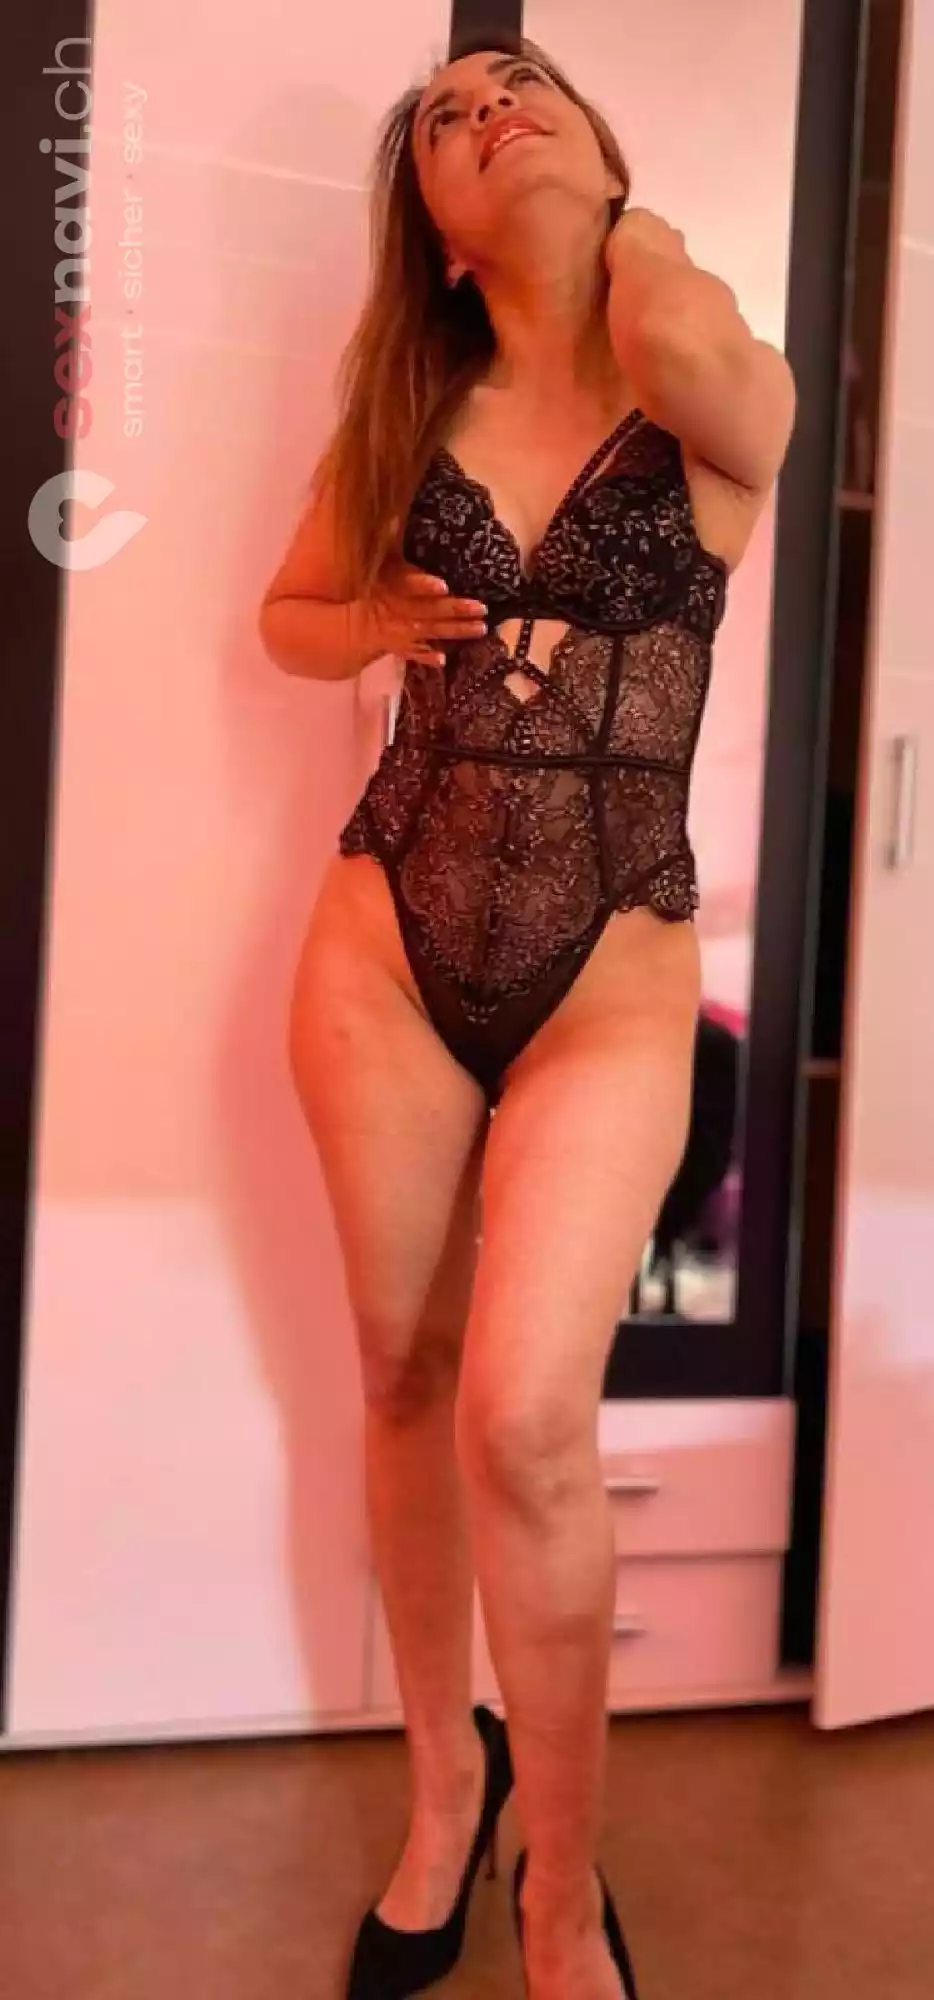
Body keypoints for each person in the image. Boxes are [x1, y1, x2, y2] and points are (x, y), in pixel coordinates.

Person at [259, 30, 795, 2000]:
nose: (488, 110)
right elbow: (286, 617)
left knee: (521, 1418)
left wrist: (617, 233)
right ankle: (442, 1797)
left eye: (520, 89)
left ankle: (557, 1887)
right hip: (380, 943)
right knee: (402, 1381)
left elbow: (710, 376)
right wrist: (366, 623)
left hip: (612, 961)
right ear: (428, 219)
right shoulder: (402, 402)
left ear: (598, 141)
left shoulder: (699, 354)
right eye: (447, 116)